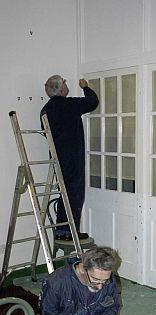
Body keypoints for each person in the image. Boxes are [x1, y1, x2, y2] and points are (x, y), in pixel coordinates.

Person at [40, 75, 99, 241]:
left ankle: (62, 230)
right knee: (73, 194)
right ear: (60, 88)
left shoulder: (45, 109)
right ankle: (70, 232)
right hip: (72, 157)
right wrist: (85, 87)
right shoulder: (69, 105)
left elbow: (46, 132)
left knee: (63, 193)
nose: (66, 85)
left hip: (56, 157)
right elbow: (92, 102)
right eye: (64, 83)